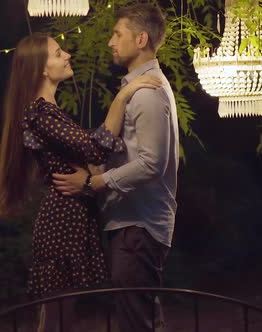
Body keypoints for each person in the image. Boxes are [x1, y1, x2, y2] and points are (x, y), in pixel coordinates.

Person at [0, 32, 162, 332]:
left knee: (63, 319)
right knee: (57, 320)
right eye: (58, 53)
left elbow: (92, 155)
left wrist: (91, 177)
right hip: (61, 222)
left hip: (72, 218)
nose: (67, 55)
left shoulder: (49, 111)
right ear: (42, 69)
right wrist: (123, 95)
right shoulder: (40, 112)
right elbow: (94, 148)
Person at [52, 4, 179, 332]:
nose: (110, 41)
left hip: (139, 227)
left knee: (137, 323)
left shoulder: (149, 94)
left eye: (117, 34)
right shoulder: (138, 90)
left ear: (141, 39)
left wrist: (95, 182)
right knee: (143, 319)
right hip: (134, 225)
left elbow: (152, 163)